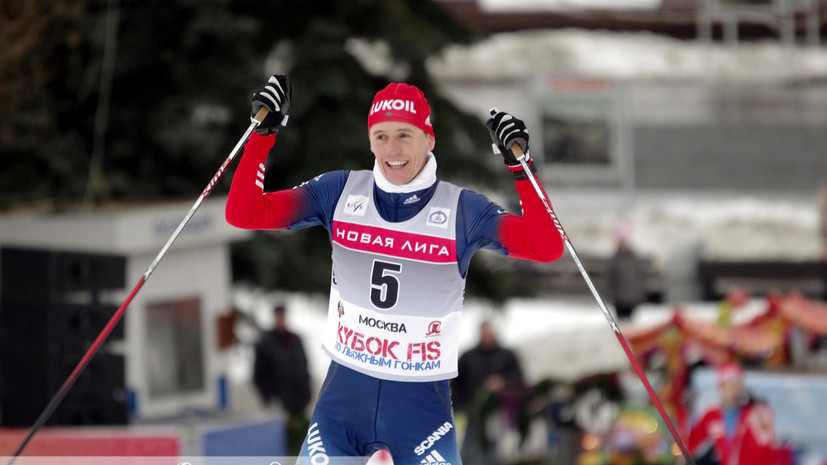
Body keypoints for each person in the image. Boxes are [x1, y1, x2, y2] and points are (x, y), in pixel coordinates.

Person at [226, 75, 565, 464]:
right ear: (370, 141)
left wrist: (522, 169)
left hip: (421, 414)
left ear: (429, 139)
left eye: (405, 134)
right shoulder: (339, 192)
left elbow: (545, 246)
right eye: (381, 135)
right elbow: (244, 212)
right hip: (342, 408)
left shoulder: (463, 211)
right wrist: (262, 134)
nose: (393, 149)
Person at [452, 320, 524, 465]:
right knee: (470, 447)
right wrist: (460, 407)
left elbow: (519, 378)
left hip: (499, 412)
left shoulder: (508, 355)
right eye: (484, 335)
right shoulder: (468, 356)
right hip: (472, 411)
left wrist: (502, 383)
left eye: (490, 334)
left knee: (495, 447)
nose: (487, 338)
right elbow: (456, 384)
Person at [687, 362, 781, 465]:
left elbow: (766, 444)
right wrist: (685, 411)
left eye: (738, 385)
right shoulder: (712, 416)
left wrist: (758, 413)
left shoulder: (755, 411)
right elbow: (691, 443)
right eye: (730, 385)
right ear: (722, 387)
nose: (735, 391)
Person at [252, 304, 311, 455]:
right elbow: (258, 376)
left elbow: (304, 368)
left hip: (300, 405)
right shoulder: (265, 343)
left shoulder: (295, 340)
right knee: (282, 450)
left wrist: (307, 394)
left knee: (302, 448)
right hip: (280, 408)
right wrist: (271, 400)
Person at [604, 221, 648, 320]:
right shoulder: (614, 259)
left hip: (632, 298)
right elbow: (610, 279)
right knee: (622, 321)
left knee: (631, 321)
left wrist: (641, 293)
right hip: (619, 299)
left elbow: (640, 277)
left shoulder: (634, 258)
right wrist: (610, 295)